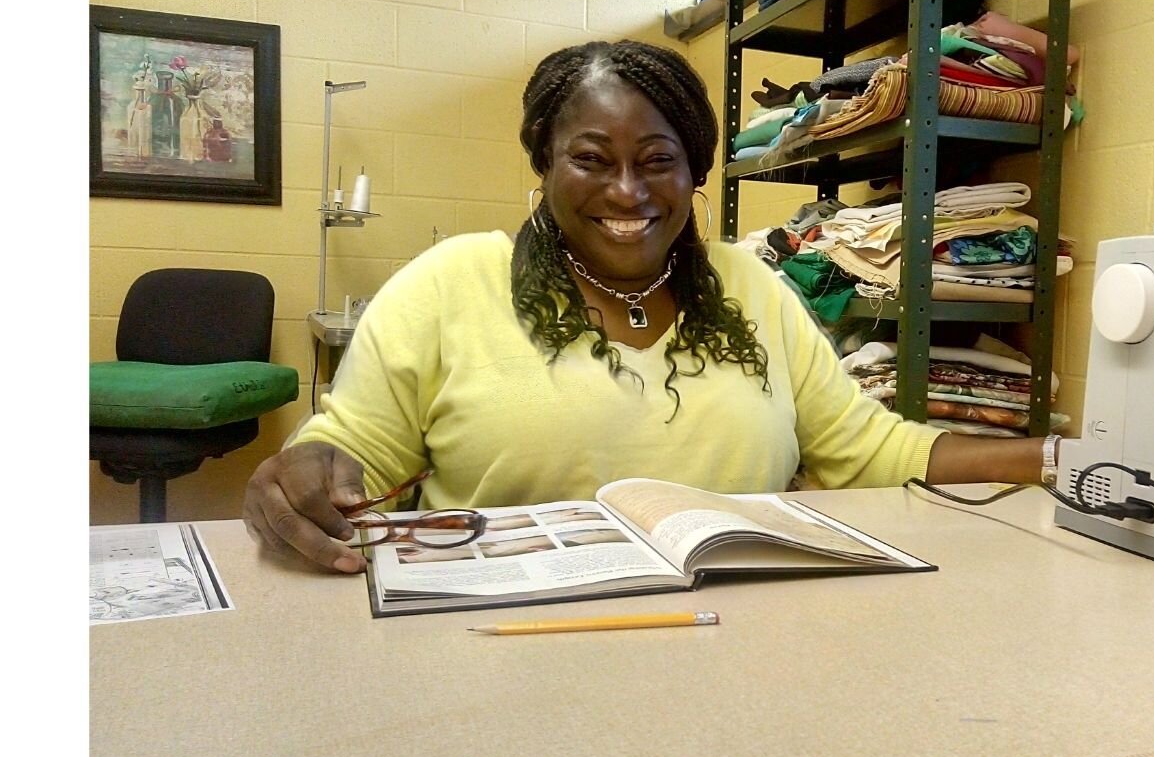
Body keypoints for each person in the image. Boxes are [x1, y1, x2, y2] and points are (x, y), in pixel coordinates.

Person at [244, 40, 1055, 573]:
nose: (627, 192)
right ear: (546, 163)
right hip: (499, 662)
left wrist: (1057, 459)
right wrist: (303, 477)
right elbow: (349, 453)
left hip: (726, 647)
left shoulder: (751, 292)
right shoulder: (452, 283)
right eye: (591, 159)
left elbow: (872, 448)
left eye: (657, 161)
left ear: (694, 172)